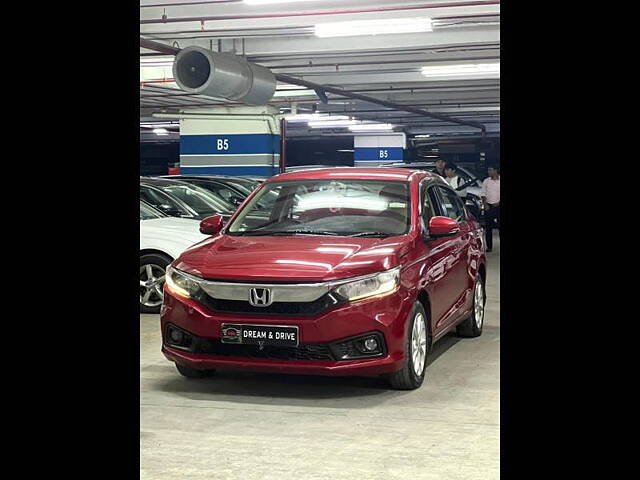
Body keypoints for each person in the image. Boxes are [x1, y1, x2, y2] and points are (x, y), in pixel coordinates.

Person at [481, 164, 500, 252]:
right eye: (488, 170)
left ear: (496, 171)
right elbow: (483, 194)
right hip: (489, 206)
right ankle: (489, 247)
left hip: (499, 206)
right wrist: (485, 205)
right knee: (488, 228)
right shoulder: (486, 181)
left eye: (490, 170)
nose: (489, 172)